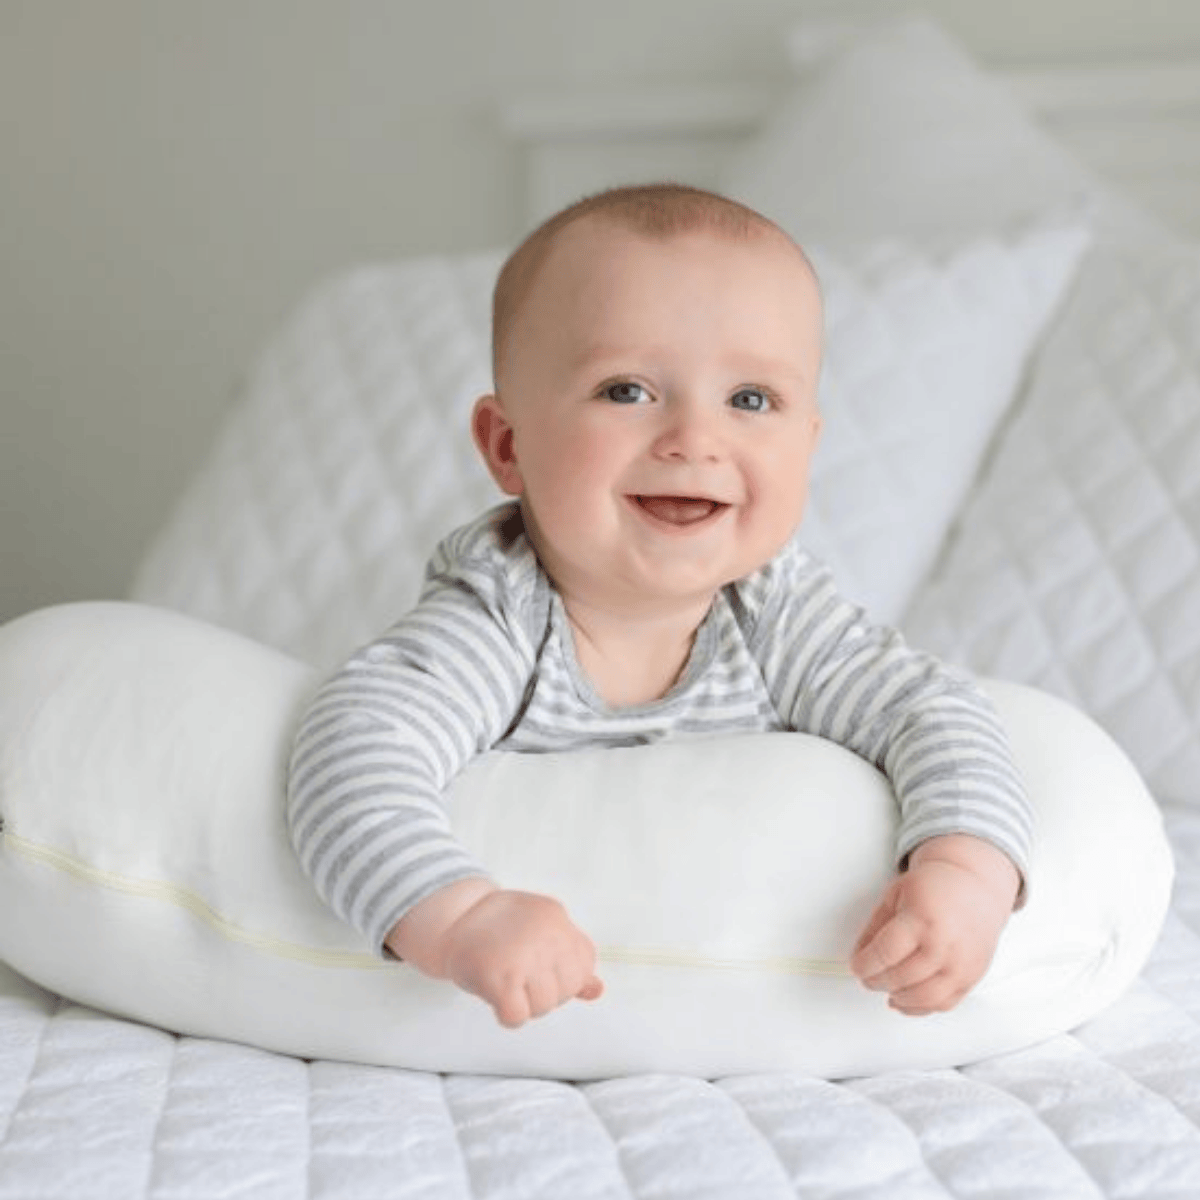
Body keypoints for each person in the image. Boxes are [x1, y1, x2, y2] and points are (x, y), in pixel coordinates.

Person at [287, 183, 1032, 1030]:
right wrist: (461, 919)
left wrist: (968, 872)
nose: (694, 438)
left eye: (751, 400)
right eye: (627, 391)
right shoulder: (500, 618)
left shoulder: (776, 616)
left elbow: (931, 714)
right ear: (508, 445)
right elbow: (352, 754)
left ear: (808, 446)